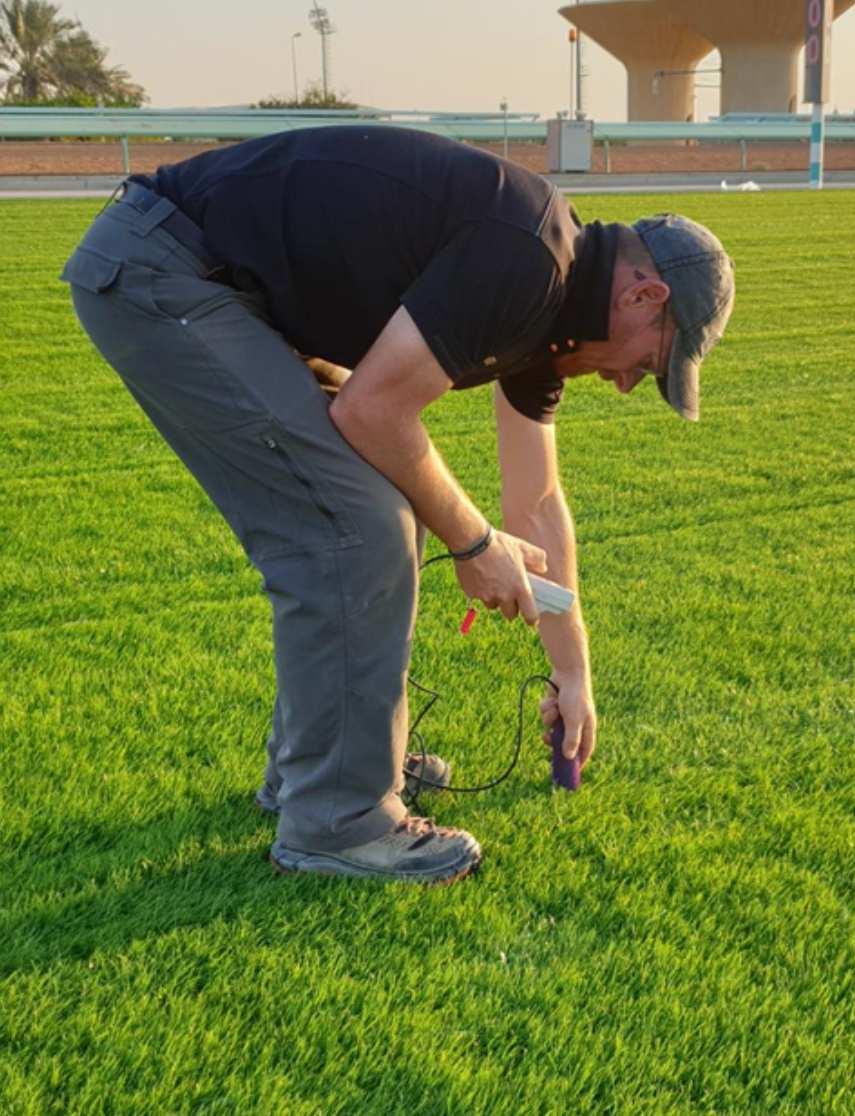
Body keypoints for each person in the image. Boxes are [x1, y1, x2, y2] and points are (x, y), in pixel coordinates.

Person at [60, 125, 735, 886]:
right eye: (652, 361)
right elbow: (371, 411)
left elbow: (538, 500)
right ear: (644, 296)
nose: (628, 382)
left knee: (381, 512)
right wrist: (475, 546)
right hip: (167, 271)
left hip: (203, 276)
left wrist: (571, 671)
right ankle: (338, 824)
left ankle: (330, 768)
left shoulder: (551, 311)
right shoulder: (529, 261)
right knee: (357, 529)